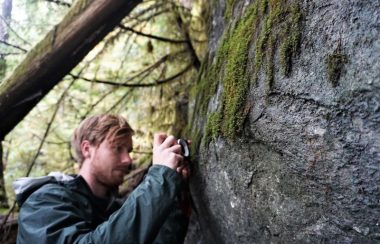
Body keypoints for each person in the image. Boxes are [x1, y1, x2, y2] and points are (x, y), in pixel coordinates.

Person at [14, 114, 191, 243]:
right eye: (117, 148)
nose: (128, 160)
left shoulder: (114, 209)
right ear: (87, 149)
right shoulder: (43, 201)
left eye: (128, 151)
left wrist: (173, 192)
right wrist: (160, 177)